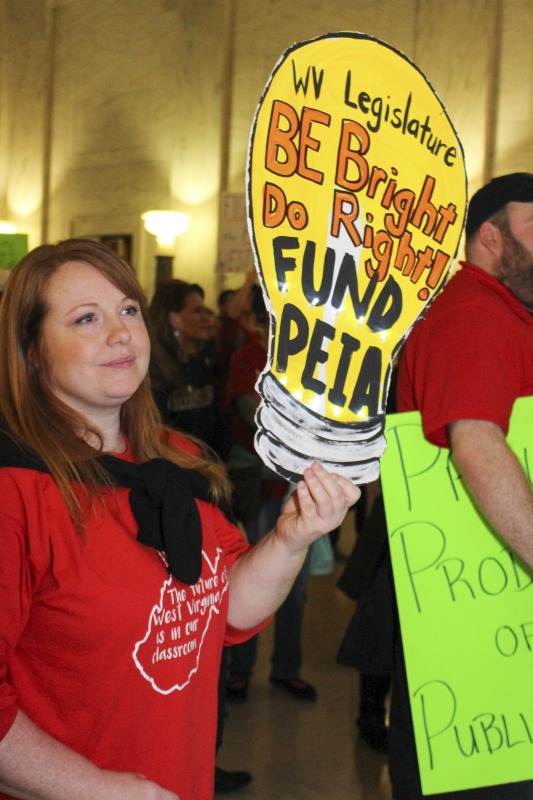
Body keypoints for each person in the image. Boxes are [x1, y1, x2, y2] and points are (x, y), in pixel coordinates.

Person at [0, 238, 360, 800]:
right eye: (86, 318)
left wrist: (293, 536)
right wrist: (104, 790)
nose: (120, 333)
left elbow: (230, 606)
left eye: (128, 310)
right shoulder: (15, 492)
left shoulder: (168, 461)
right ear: (33, 350)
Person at [391, 172, 533, 799]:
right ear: (490, 237)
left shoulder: (500, 312)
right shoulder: (474, 312)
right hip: (468, 628)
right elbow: (477, 444)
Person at [225, 285, 317, 703]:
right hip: (258, 483)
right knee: (252, 576)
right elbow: (249, 411)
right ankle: (240, 671)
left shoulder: (307, 357)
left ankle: (286, 668)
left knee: (294, 589)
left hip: (296, 485)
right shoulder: (248, 357)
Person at [148, 278, 229, 460]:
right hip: (174, 468)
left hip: (208, 467)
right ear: (174, 318)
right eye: (196, 311)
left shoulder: (204, 363)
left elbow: (219, 421)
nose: (205, 317)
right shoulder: (153, 371)